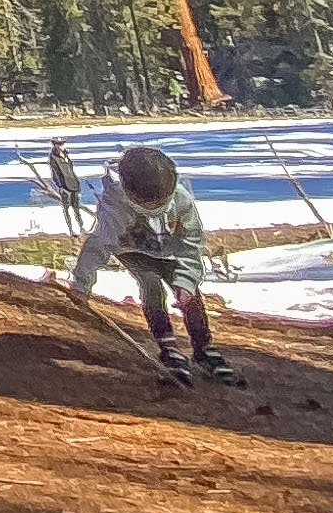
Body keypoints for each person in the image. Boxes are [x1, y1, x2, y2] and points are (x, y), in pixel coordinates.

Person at [65, 142, 237, 382]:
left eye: (161, 202)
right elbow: (97, 246)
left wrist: (185, 281)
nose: (158, 207)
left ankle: (203, 348)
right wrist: (81, 286)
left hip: (175, 251)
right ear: (129, 193)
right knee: (151, 284)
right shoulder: (115, 209)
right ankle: (168, 346)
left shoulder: (181, 200)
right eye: (150, 205)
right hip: (133, 250)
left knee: (190, 294)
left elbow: (191, 243)